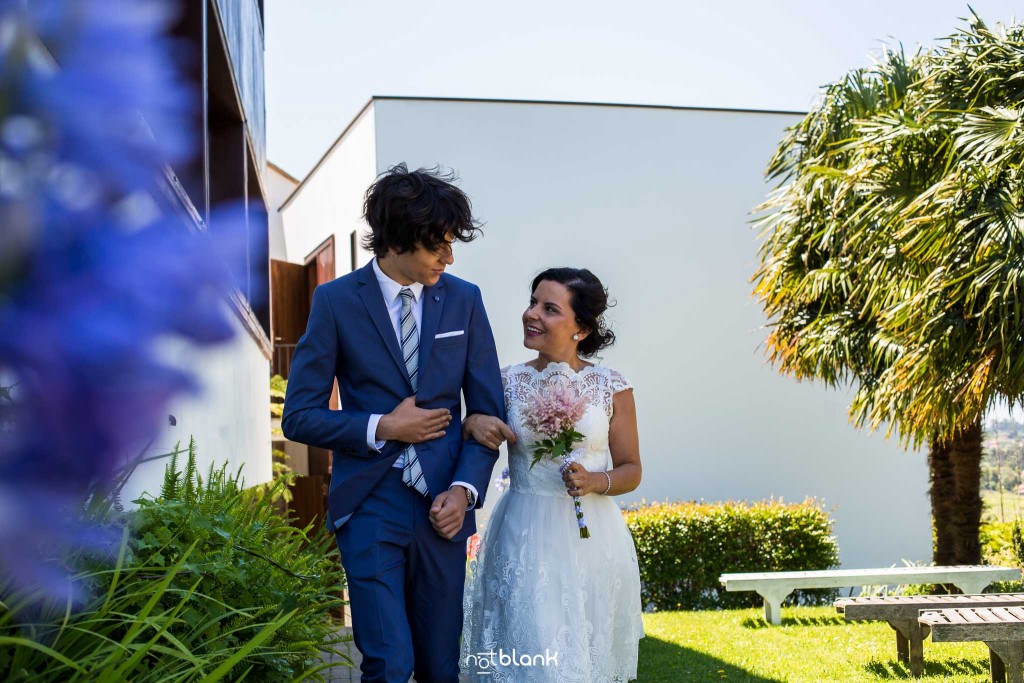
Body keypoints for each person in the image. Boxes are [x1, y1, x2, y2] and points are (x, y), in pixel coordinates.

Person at [282, 164, 504, 682]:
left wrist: (467, 489)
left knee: (438, 667)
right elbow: (300, 416)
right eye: (437, 246)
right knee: (388, 663)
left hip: (443, 508)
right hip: (369, 505)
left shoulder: (465, 300)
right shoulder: (334, 301)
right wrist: (383, 426)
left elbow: (487, 415)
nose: (448, 258)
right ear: (398, 240)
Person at [460, 267, 644, 681]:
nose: (532, 315)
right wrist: (471, 423)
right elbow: (474, 428)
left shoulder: (612, 386)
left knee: (585, 657)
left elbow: (632, 469)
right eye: (532, 303)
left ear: (580, 328)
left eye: (549, 308)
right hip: (523, 534)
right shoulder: (505, 381)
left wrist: (597, 481)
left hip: (593, 541)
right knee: (531, 651)